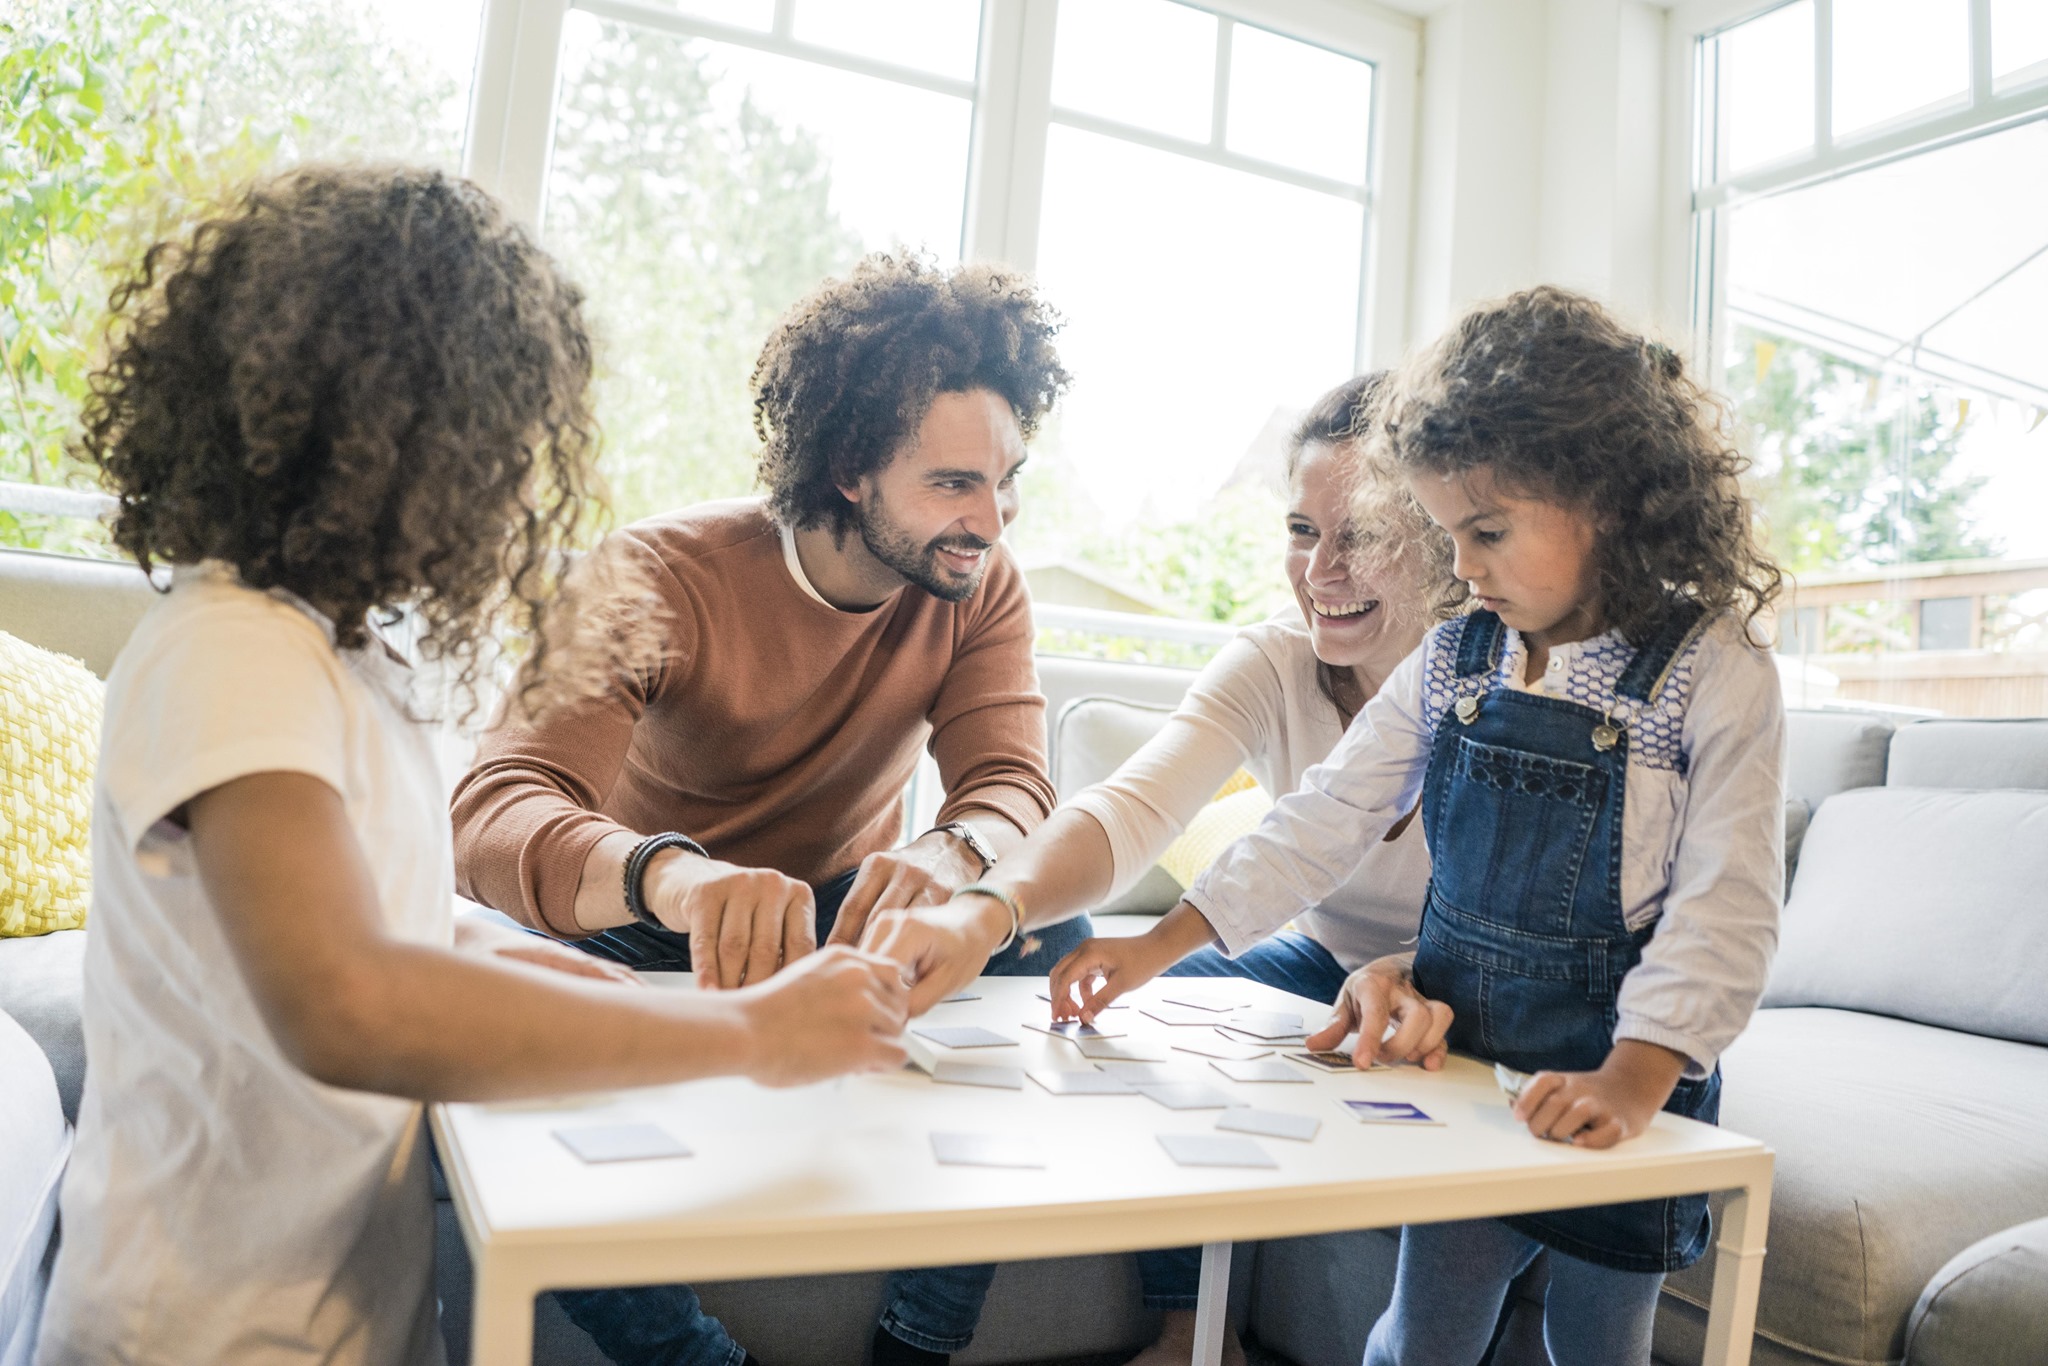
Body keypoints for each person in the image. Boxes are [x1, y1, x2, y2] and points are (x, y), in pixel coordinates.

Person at [35, 165, 909, 1366]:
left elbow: (384, 896)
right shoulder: (228, 649)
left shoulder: (340, 646)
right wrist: (750, 1034)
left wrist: (526, 956)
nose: (508, 480)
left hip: (334, 1306)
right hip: (196, 1328)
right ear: (393, 435)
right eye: (495, 434)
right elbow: (347, 998)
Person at [1044, 286, 1787, 1365]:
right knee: (1418, 1337)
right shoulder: (1456, 657)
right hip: (1463, 1072)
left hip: (1625, 1081)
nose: (1464, 567)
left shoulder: (1712, 669)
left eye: (1484, 532)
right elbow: (1324, 817)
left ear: (1609, 497)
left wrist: (1633, 1076)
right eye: (1446, 536)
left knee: (1596, 1346)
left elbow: (1726, 903)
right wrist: (1162, 941)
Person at [448, 253, 1088, 1366]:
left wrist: (950, 852)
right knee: (491, 993)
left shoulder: (979, 582)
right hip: (641, 912)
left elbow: (1012, 787)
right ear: (848, 468)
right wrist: (675, 875)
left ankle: (915, 1344)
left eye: (1007, 479)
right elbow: (499, 807)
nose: (991, 520)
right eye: (951, 484)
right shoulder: (654, 573)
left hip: (842, 919)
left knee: (1048, 928)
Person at [867, 371, 1450, 1365]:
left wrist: (1421, 970)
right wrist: (987, 908)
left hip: (1470, 988)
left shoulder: (1492, 677)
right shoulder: (1273, 661)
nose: (1319, 569)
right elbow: (1128, 810)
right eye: (1302, 531)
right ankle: (938, 1342)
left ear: (1436, 542)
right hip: (1320, 960)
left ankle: (1192, 1336)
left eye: (1356, 534)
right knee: (1082, 1019)